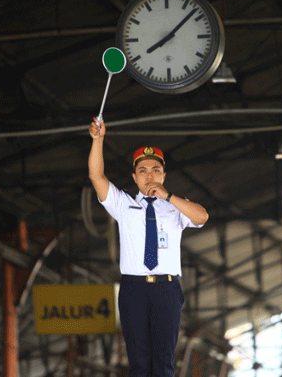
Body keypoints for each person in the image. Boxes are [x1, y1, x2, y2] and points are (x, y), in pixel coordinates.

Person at [88, 117, 209, 377]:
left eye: (155, 169)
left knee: (164, 361)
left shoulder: (175, 207)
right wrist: (98, 140)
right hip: (133, 289)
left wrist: (166, 195)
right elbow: (96, 176)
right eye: (142, 170)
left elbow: (201, 217)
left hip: (166, 288)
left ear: (164, 175)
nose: (149, 175)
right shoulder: (123, 205)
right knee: (140, 362)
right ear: (134, 176)